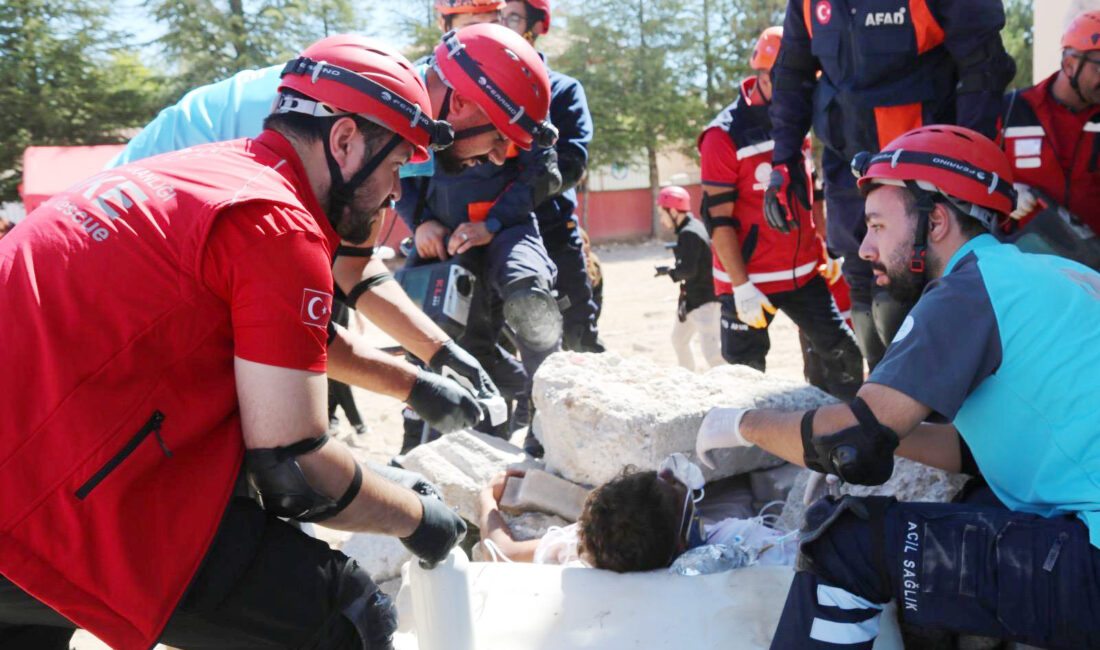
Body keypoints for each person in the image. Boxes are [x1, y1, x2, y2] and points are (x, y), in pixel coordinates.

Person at [0, 37, 469, 650]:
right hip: (39, 498)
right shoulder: (277, 223)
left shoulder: (203, 171)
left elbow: (284, 347)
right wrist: (417, 516)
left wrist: (412, 387)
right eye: (398, 164)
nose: (397, 192)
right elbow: (295, 470)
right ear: (345, 140)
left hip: (34, 456)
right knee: (345, 616)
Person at [695, 125, 1100, 650]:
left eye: (877, 225)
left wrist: (741, 424)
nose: (865, 248)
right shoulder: (1050, 272)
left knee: (845, 541)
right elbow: (980, 449)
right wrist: (878, 426)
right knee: (977, 497)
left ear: (936, 221)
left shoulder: (966, 292)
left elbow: (851, 445)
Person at [767, 0, 1015, 372]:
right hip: (848, 169)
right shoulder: (807, 4)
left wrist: (968, 162)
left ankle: (938, 402)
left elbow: (984, 66)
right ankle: (883, 397)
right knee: (864, 296)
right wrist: (783, 161)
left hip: (924, 174)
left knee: (914, 297)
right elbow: (792, 75)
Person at [699, 26, 861, 401]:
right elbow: (717, 220)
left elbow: (810, 190)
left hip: (803, 274)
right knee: (745, 382)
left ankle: (839, 430)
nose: (799, 91)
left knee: (845, 358)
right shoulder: (722, 136)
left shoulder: (796, 120)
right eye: (791, 80)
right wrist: (741, 287)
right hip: (749, 282)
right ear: (762, 74)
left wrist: (825, 247)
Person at [475, 457, 797, 571]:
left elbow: (503, 552)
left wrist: (487, 497)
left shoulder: (595, 550)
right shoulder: (741, 543)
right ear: (682, 542)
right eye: (674, 488)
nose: (671, 475)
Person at [1000, 9, 1100, 230]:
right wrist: (1002, 192)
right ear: (1070, 64)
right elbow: (971, 175)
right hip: (1024, 248)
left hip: (1092, 250)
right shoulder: (1011, 110)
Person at [653, 185, 722, 372]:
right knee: (679, 339)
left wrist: (670, 272)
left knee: (713, 354)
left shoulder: (689, 233)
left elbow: (688, 271)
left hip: (705, 301)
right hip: (693, 300)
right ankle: (687, 377)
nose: (662, 220)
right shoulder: (694, 226)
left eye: (663, 214)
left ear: (674, 212)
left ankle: (733, 384)